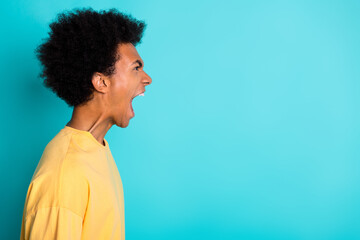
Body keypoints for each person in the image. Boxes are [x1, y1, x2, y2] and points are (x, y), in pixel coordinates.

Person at [20, 7, 152, 239]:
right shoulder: (64, 174)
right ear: (101, 82)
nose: (147, 78)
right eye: (136, 68)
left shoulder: (96, 148)